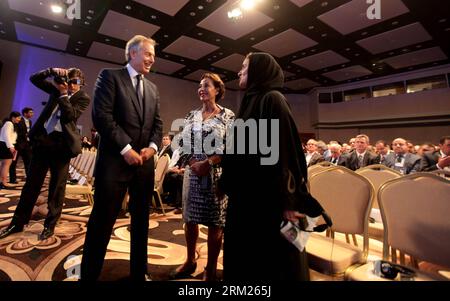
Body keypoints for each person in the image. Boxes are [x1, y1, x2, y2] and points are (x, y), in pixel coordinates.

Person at [219, 52, 310, 280]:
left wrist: (290, 201)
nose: (239, 71)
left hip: (268, 200)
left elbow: (287, 153)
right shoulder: (249, 101)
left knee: (273, 262)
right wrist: (225, 182)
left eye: (244, 67)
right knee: (247, 259)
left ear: (259, 71)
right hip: (246, 198)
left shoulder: (273, 99)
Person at [80, 35, 163, 281]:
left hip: (144, 167)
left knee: (141, 224)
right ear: (132, 53)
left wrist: (152, 147)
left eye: (153, 56)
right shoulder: (109, 76)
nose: (152, 59)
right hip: (114, 165)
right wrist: (126, 149)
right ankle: (89, 275)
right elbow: (102, 117)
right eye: (148, 54)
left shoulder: (153, 88)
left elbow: (157, 124)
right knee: (102, 223)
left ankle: (140, 273)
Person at [0, 67, 90, 240]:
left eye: (75, 82)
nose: (71, 85)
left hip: (62, 146)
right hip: (43, 142)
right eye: (69, 81)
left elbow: (69, 116)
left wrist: (64, 95)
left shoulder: (82, 98)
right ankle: (17, 223)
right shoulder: (55, 89)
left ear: (81, 84)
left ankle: (50, 225)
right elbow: (34, 79)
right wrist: (51, 71)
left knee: (56, 188)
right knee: (31, 186)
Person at [170, 73, 234, 281]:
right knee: (190, 220)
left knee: (216, 223)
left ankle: (211, 268)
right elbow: (182, 143)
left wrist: (209, 162)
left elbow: (232, 145)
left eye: (206, 85)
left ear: (217, 89)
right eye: (199, 85)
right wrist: (192, 164)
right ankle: (190, 260)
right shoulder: (191, 116)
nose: (201, 88)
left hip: (216, 175)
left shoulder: (228, 115)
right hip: (193, 174)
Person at [9, 107, 34, 183]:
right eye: (30, 112)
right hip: (18, 145)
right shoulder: (19, 121)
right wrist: (25, 135)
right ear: (25, 113)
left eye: (32, 112)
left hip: (26, 145)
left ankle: (29, 178)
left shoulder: (30, 121)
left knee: (28, 162)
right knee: (13, 163)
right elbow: (17, 132)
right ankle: (13, 179)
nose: (32, 114)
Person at [0, 111, 21, 189]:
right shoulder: (9, 124)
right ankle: (4, 182)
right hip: (7, 145)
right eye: (18, 118)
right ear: (13, 117)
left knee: (3, 165)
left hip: (6, 145)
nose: (19, 119)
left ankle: (2, 181)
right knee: (6, 165)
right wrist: (11, 147)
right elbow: (6, 136)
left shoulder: (10, 124)